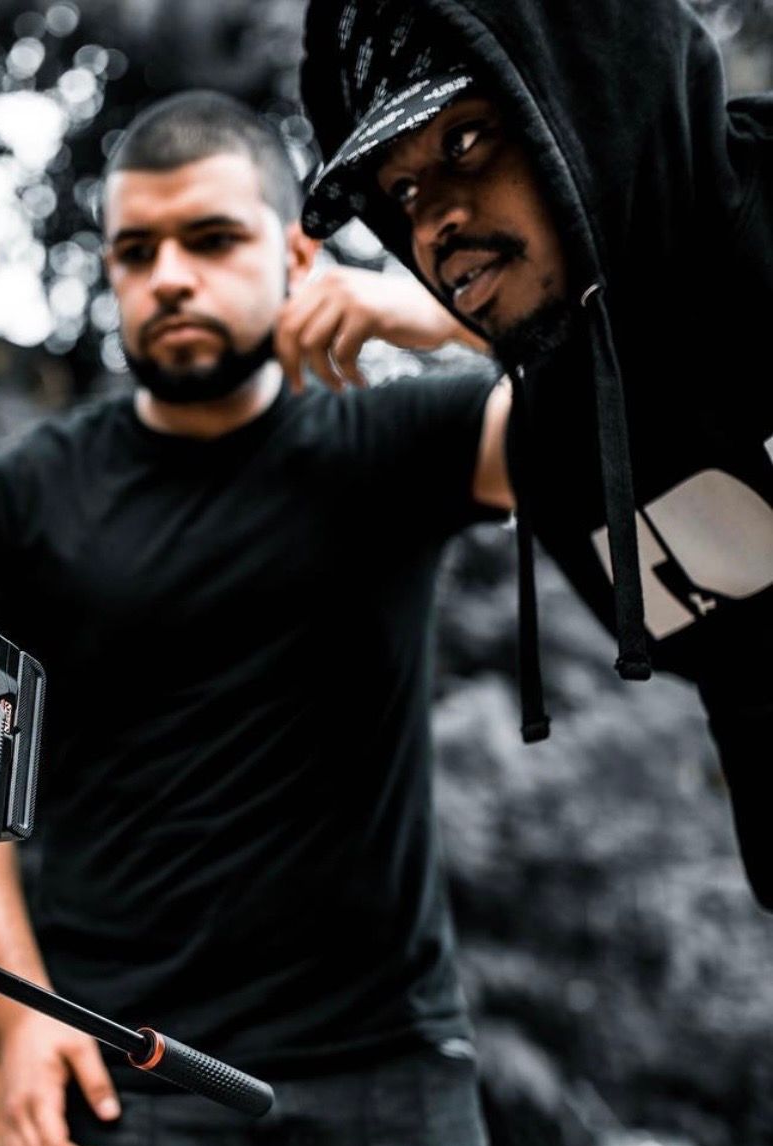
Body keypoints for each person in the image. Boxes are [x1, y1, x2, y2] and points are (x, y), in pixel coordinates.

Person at [0, 89, 510, 1146]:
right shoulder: (25, 503)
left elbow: (624, 406)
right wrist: (18, 1020)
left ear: (296, 253)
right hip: (129, 1087)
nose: (168, 277)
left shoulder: (395, 440)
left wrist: (422, 307)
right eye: (135, 253)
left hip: (386, 1086)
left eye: (208, 239)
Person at [298, 0, 773, 907]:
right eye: (400, 194)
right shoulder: (558, 453)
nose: (432, 224)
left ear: (586, 92)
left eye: (467, 142)